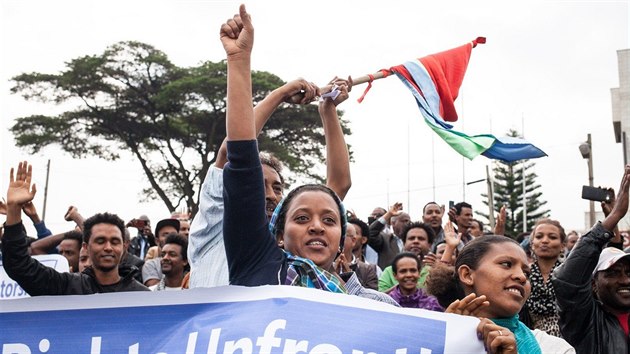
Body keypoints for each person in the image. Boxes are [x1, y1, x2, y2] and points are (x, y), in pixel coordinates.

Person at [219, 6, 396, 307]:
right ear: (278, 235)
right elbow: (242, 156)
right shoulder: (257, 261)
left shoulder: (370, 307)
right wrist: (239, 60)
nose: (316, 226)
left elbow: (339, 183)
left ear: (342, 241)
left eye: (329, 220)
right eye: (301, 218)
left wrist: (327, 111)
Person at [187, 64, 351, 289]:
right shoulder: (216, 220)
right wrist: (280, 95)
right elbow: (233, 151)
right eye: (258, 186)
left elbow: (336, 188)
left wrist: (328, 110)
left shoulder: (290, 266)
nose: (270, 195)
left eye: (277, 188)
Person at [2, 161, 148, 294]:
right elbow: (19, 265)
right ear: (86, 247)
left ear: (124, 247)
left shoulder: (141, 295)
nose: (108, 247)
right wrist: (14, 209)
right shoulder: (67, 286)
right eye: (100, 241)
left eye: (115, 242)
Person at [426, 235, 574, 353]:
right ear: (467, 275)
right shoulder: (425, 342)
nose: (522, 277)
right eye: (506, 264)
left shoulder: (554, 348)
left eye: (527, 273)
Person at [552, 165, 630, 354]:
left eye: (629, 272)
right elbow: (567, 280)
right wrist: (615, 215)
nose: (626, 280)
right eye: (613, 273)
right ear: (593, 284)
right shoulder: (584, 319)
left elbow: (613, 249)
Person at [523, 218, 566, 337]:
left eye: (552, 237)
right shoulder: (522, 275)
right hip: (532, 340)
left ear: (562, 246)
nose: (545, 241)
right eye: (539, 237)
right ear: (532, 244)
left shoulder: (570, 274)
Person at [378, 221, 434, 292]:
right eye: (411, 238)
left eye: (421, 239)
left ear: (429, 245)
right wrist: (403, 285)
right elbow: (381, 298)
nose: (416, 241)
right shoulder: (389, 271)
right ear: (404, 243)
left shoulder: (434, 271)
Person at [368, 202, 411, 270]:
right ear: (393, 223)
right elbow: (370, 233)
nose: (408, 224)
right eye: (404, 221)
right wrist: (388, 215)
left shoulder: (414, 241)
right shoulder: (386, 240)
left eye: (409, 221)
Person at [142, 218, 180, 286]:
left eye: (173, 234)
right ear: (157, 241)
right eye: (165, 235)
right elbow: (156, 292)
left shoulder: (189, 263)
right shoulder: (151, 265)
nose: (170, 237)